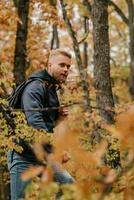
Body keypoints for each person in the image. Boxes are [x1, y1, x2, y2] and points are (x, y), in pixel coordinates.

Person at [7, 49, 75, 200]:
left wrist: (58, 119)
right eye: (62, 65)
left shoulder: (49, 88)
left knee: (68, 186)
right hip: (22, 154)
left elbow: (45, 124)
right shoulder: (36, 87)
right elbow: (36, 124)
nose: (66, 69)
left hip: (41, 153)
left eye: (68, 67)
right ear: (50, 65)